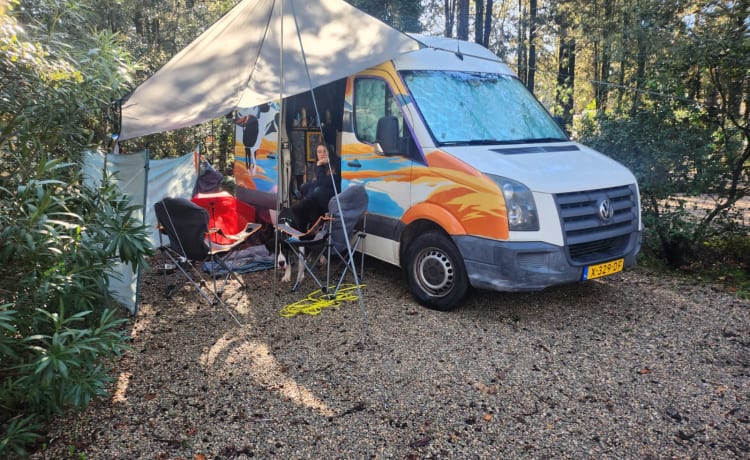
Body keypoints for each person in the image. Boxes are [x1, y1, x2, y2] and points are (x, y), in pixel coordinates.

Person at [301, 143, 340, 214]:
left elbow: (324, 182)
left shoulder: (336, 163)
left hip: (336, 190)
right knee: (305, 186)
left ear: (329, 152)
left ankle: (320, 212)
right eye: (319, 152)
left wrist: (319, 165)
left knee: (318, 190)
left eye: (325, 151)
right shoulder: (320, 164)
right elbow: (318, 182)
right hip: (324, 188)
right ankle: (308, 207)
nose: (322, 154)